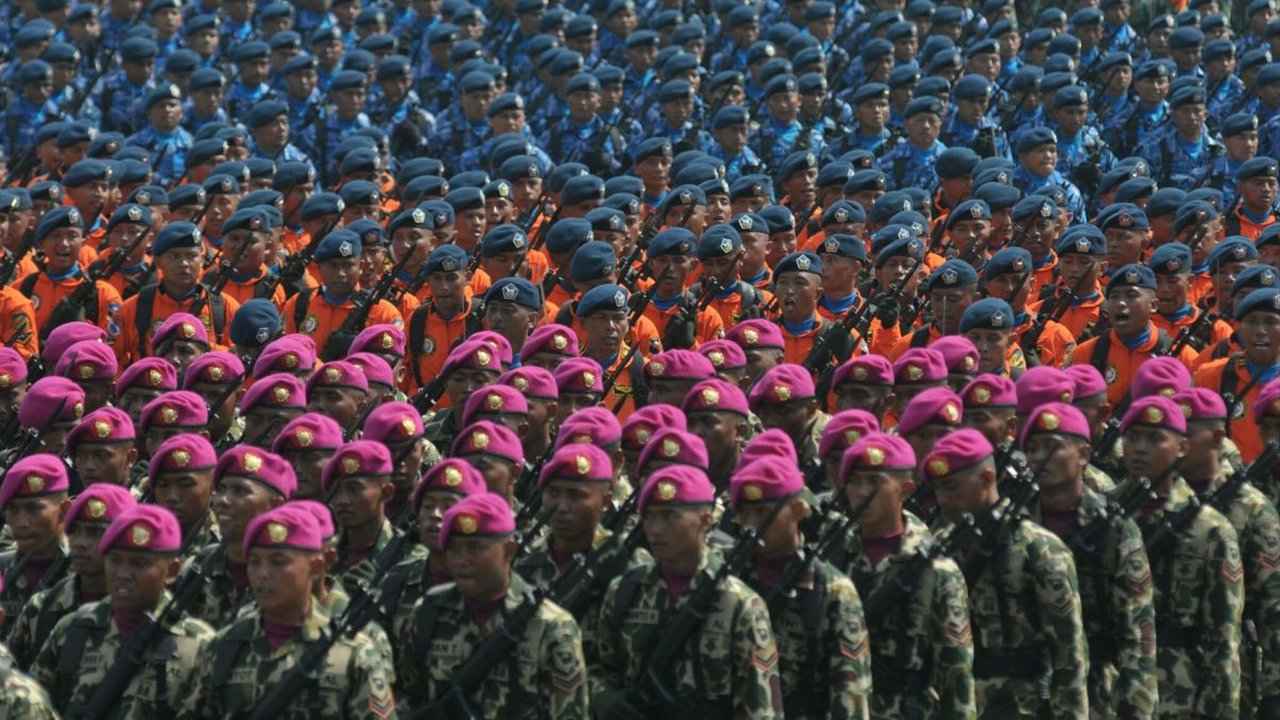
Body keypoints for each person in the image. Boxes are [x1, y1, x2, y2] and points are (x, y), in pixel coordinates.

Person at [592, 464, 784, 718]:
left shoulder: (738, 603)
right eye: (648, 517)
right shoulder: (624, 590)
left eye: (669, 516)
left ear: (705, 520)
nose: (655, 529)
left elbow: (760, 707)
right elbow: (598, 668)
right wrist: (603, 698)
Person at [925, 428, 1089, 718]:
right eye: (937, 489)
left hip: (1021, 704)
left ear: (987, 479)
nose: (942, 499)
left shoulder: (1039, 548)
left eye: (951, 487)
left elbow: (1069, 653)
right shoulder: (939, 546)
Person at [188, 504, 397, 718]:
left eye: (278, 562)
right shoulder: (224, 647)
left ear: (316, 568)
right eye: (255, 562)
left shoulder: (355, 653)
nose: (263, 574)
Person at [1020, 402, 1158, 718]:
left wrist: (1137, 705)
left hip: (1097, 689)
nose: (1039, 457)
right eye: (1032, 449)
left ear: (1083, 454)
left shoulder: (1113, 528)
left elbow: (1137, 628)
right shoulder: (1016, 525)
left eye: (1052, 447)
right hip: (1026, 692)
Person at [395, 492, 589, 716]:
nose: (462, 560)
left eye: (475, 548)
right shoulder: (428, 612)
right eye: (454, 548)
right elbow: (406, 694)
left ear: (509, 551)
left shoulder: (550, 626)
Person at [1116, 395, 1244, 719]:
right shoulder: (1101, 517)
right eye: (1133, 437)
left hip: (1179, 693)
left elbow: (1224, 637)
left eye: (1155, 439)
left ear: (1182, 447)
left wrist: (1222, 709)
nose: (1140, 448)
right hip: (1109, 690)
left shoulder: (1210, 529)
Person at [32, 505, 214, 716]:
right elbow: (35, 706)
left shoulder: (199, 645)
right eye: (115, 560)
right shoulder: (73, 630)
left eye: (139, 563)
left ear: (172, 571)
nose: (123, 574)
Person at [730, 454, 873, 719]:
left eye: (762, 512)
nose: (751, 523)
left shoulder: (831, 589)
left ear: (797, 511)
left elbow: (851, 692)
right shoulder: (727, 580)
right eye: (744, 512)